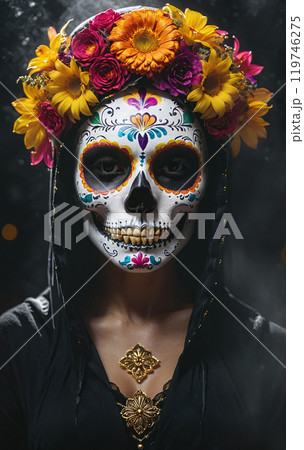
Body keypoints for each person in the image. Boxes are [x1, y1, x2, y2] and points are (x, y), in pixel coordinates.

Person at [0, 5, 285, 449]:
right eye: (107, 166)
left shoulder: (275, 357)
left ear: (211, 184)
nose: (138, 199)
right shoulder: (11, 348)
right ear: (67, 187)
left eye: (174, 166)